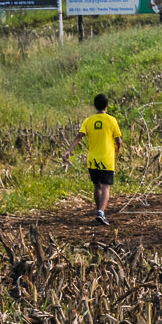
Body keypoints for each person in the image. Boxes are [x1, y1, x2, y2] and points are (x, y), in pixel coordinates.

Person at [63, 93, 123, 225]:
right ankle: (101, 212)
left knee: (97, 186)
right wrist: (117, 148)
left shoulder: (88, 121)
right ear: (107, 106)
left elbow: (79, 136)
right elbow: (118, 140)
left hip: (92, 159)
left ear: (95, 106)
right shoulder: (112, 120)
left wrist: (69, 150)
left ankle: (99, 211)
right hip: (106, 158)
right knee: (106, 187)